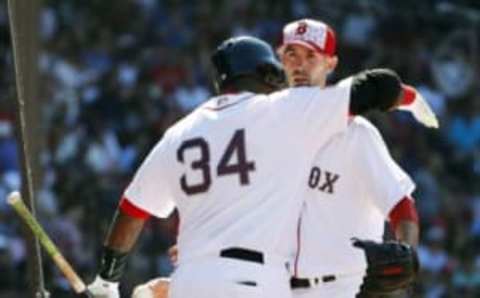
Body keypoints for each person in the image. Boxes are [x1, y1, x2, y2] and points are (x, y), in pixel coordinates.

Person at [87, 35, 424, 298]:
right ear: (268, 75)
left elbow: (132, 209)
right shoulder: (282, 111)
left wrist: (106, 280)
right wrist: (409, 98)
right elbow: (378, 85)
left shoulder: (179, 133)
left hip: (189, 280)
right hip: (256, 280)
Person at [277, 19, 423, 298]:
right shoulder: (267, 128)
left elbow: (402, 205)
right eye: (292, 54)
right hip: (274, 286)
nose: (300, 65)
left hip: (339, 287)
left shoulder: (356, 135)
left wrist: (409, 255)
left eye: (311, 56)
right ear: (281, 59)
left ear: (330, 64)